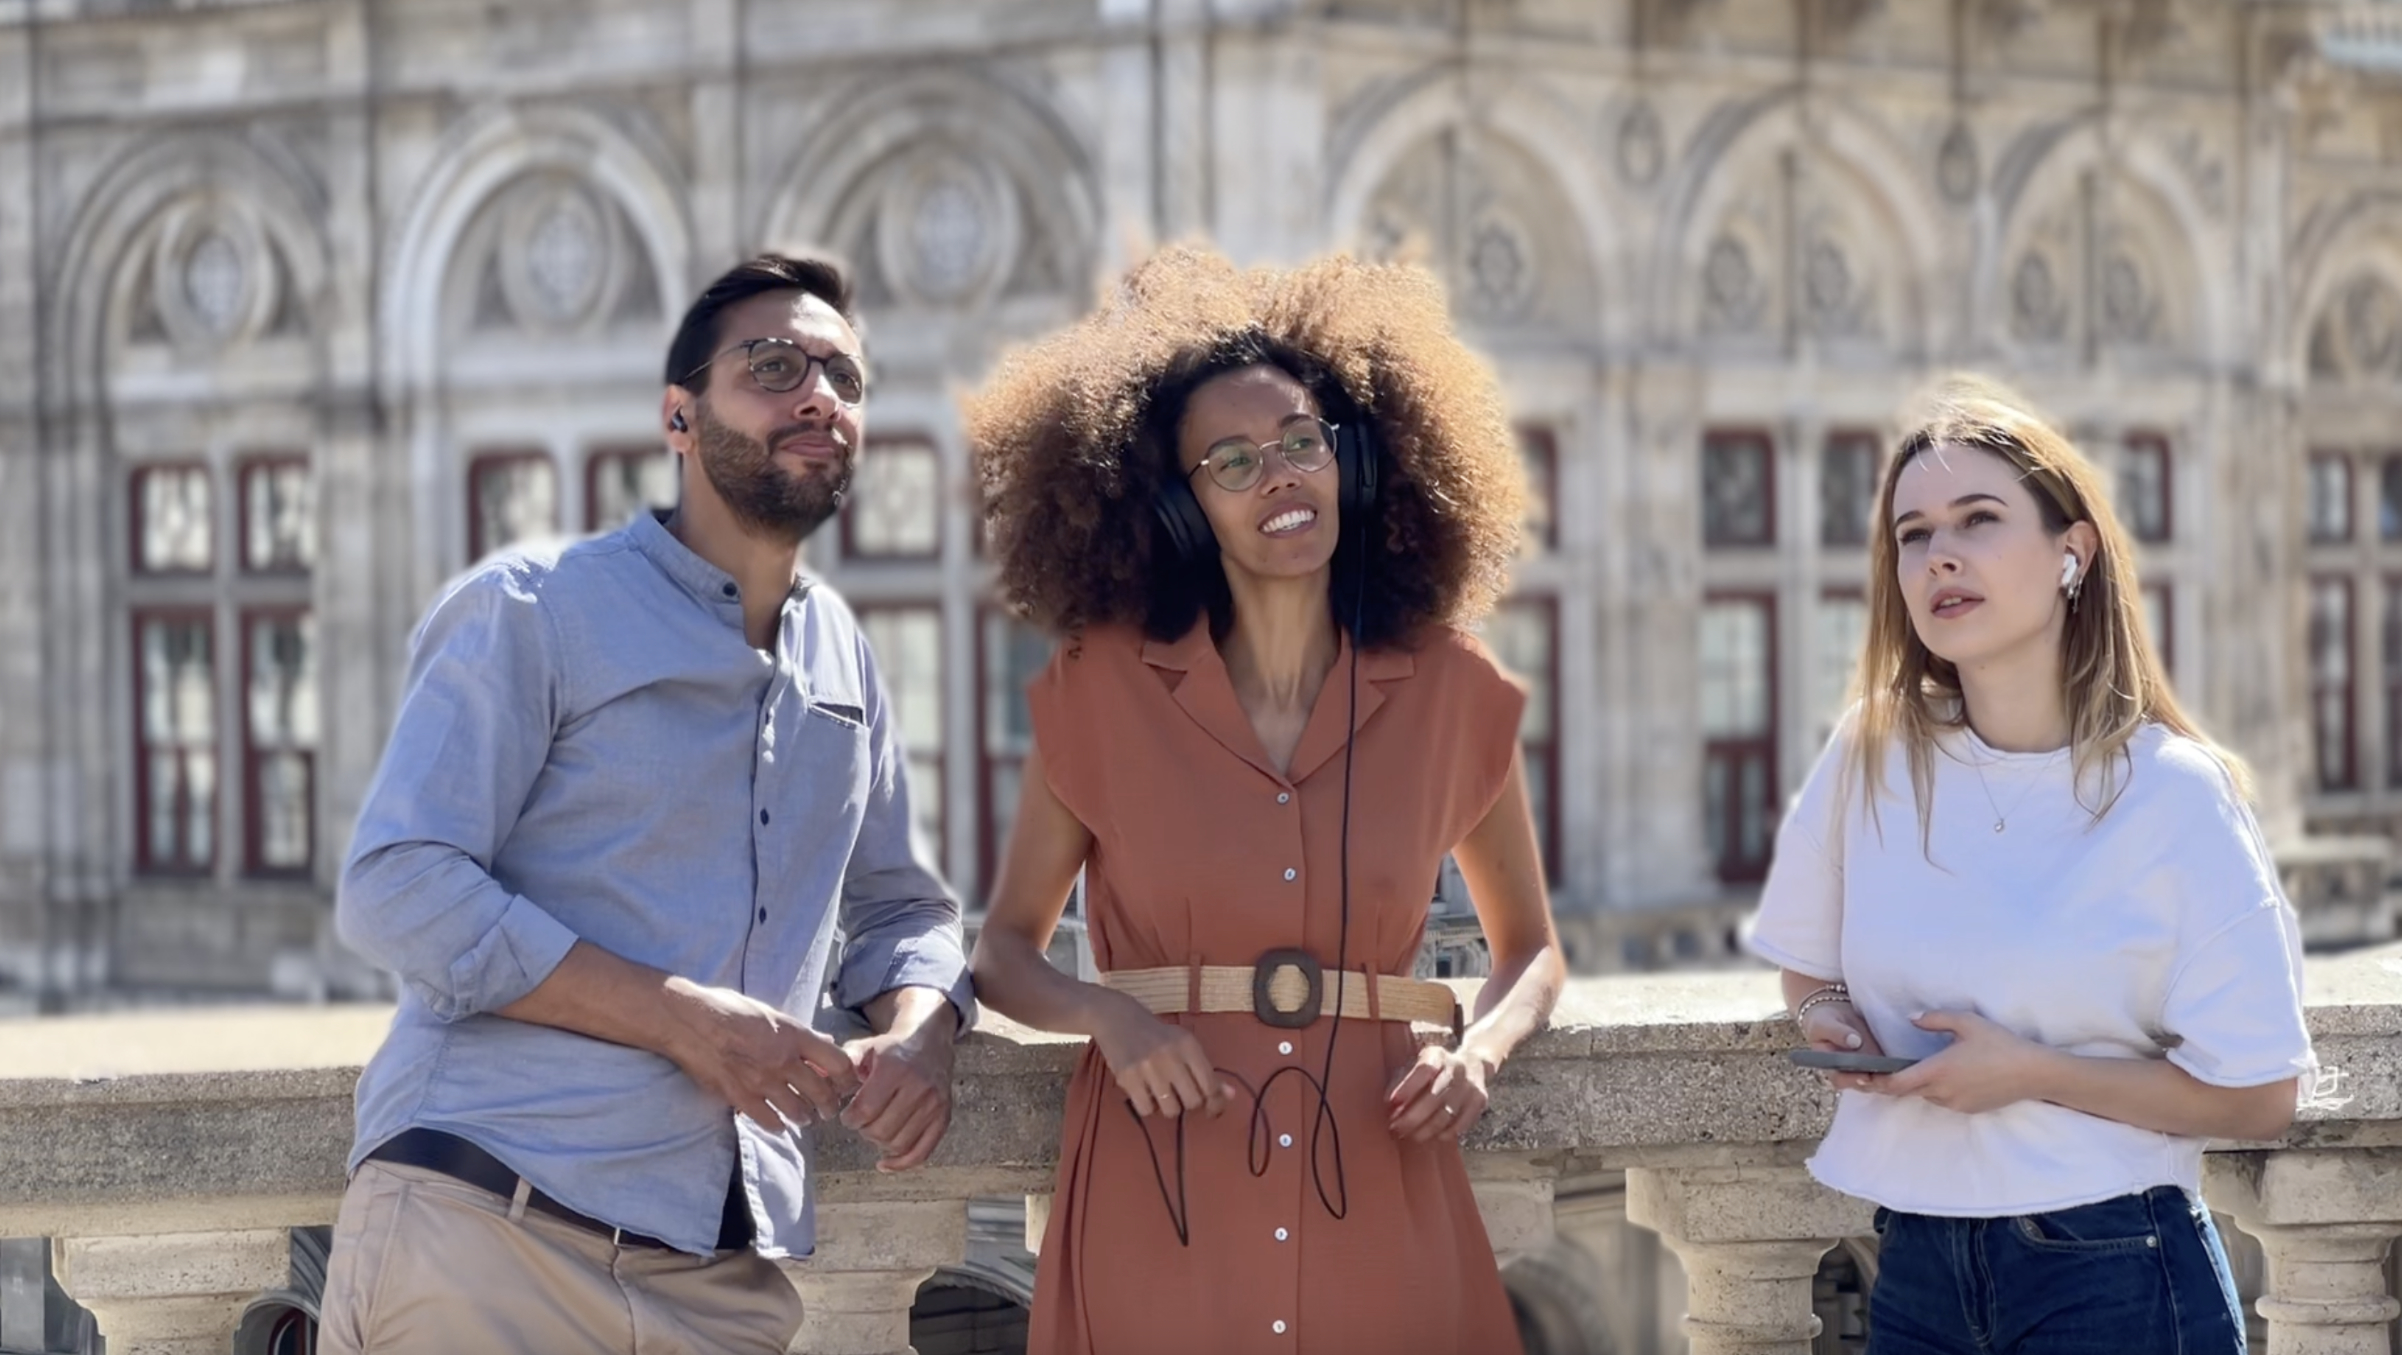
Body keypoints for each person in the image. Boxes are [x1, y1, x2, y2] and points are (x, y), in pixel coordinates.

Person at [320, 253, 973, 1355]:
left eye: (846, 380)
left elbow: (906, 912)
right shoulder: (533, 606)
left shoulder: (843, 657)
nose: (820, 395)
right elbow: (397, 885)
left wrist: (920, 1036)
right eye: (774, 367)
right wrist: (678, 1015)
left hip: (722, 1287)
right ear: (679, 416)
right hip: (488, 1234)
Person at [964, 245, 1565, 1354]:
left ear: (1355, 464)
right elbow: (1002, 947)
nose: (1280, 473)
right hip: (1161, 1183)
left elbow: (1528, 947)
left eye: (1300, 443)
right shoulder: (1093, 690)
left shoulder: (1452, 688)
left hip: (1382, 1181)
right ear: (1177, 510)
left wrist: (1476, 1052)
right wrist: (1106, 1012)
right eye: (1230, 462)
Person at [1747, 377, 2320, 1355]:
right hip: (1915, 1266)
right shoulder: (1869, 753)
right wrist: (1826, 1019)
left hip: (2116, 1263)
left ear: (2071, 550)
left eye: (1977, 519)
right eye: (1913, 532)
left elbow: (2259, 1094)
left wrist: (2030, 1074)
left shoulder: (2170, 792)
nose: (1941, 556)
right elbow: (1805, 959)